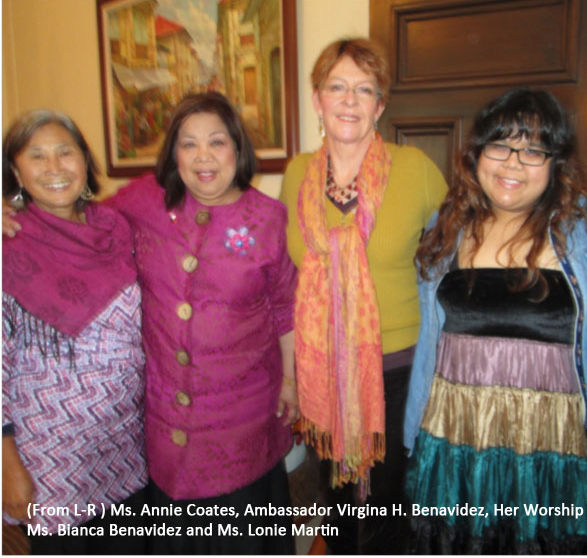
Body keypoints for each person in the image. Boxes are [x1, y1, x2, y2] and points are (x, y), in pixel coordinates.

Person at [3, 93, 299, 554]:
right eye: (188, 144)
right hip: (151, 443)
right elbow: (71, 208)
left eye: (217, 142)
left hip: (237, 432)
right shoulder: (143, 202)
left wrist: (292, 380)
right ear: (173, 154)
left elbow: (285, 306)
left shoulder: (268, 219)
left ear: (237, 149)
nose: (202, 156)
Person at [403, 88, 587, 553]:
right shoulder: (447, 224)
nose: (513, 164)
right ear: (477, 154)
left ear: (555, 163)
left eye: (533, 150)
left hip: (552, 447)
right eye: (500, 146)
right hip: (458, 442)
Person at [279, 38, 447, 554]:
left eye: (364, 89)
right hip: (321, 370)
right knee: (335, 504)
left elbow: (458, 255)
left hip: (397, 368)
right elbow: (286, 276)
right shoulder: (295, 174)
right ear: (317, 100)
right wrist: (289, 375)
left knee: (387, 508)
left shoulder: (415, 168)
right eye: (337, 87)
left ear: (380, 105)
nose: (349, 100)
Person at [2, 110, 147, 553]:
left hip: (126, 450)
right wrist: (6, 465)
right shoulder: (8, 244)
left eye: (65, 152)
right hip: (51, 464)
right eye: (37, 156)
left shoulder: (116, 228)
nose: (54, 167)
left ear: (85, 159)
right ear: (15, 172)